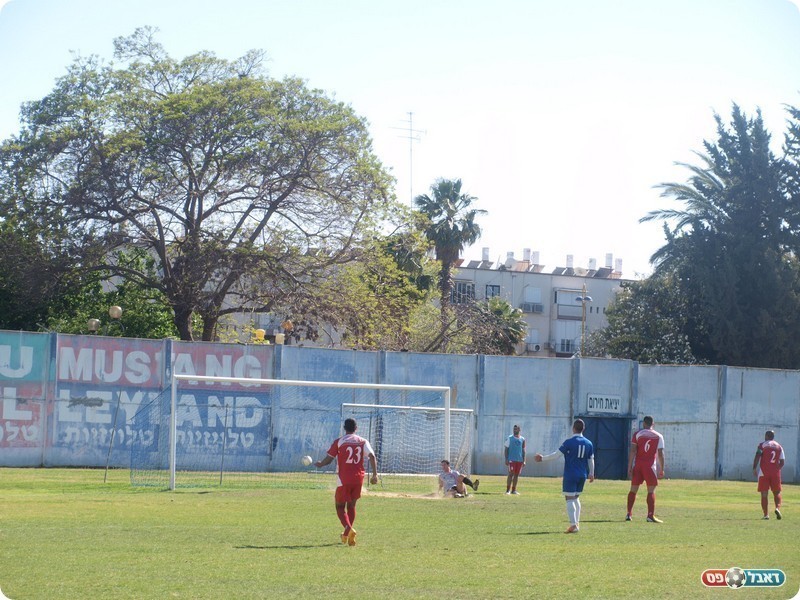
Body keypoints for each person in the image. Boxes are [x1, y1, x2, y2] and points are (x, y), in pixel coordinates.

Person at [314, 418, 379, 546]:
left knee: (339, 506)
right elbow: (372, 456)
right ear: (356, 428)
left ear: (344, 428)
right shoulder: (363, 441)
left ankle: (349, 529)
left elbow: (329, 459)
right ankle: (346, 535)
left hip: (344, 479)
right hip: (358, 479)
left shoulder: (339, 442)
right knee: (351, 506)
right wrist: (375, 475)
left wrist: (320, 464)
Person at [534, 418, 595, 533]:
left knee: (569, 498)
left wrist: (542, 458)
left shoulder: (569, 442)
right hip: (582, 474)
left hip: (571, 474)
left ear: (573, 428)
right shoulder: (589, 443)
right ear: (583, 429)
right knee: (576, 498)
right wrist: (591, 473)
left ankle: (573, 525)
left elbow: (556, 455)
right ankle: (576, 523)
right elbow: (591, 459)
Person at [626, 415, 665, 523]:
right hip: (649, 466)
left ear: (643, 423)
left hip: (638, 465)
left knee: (633, 489)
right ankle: (650, 515)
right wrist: (662, 469)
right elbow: (661, 454)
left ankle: (629, 513)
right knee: (651, 490)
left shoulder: (637, 434)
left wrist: (629, 466)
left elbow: (633, 451)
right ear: (653, 424)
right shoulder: (659, 436)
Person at [753, 430, 785, 520]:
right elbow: (782, 461)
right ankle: (777, 508)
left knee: (764, 493)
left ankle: (766, 515)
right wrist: (777, 469)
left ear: (766, 436)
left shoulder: (762, 445)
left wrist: (754, 468)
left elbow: (757, 456)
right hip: (775, 473)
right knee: (777, 492)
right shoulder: (779, 446)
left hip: (764, 472)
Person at [504, 424, 526, 495]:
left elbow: (523, 450)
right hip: (511, 460)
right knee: (511, 474)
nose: (514, 430)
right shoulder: (510, 438)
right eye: (514, 429)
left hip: (519, 460)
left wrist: (524, 460)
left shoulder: (522, 439)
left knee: (516, 475)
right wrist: (506, 459)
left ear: (519, 430)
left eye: (516, 429)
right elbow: (506, 449)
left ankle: (514, 490)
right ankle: (508, 490)